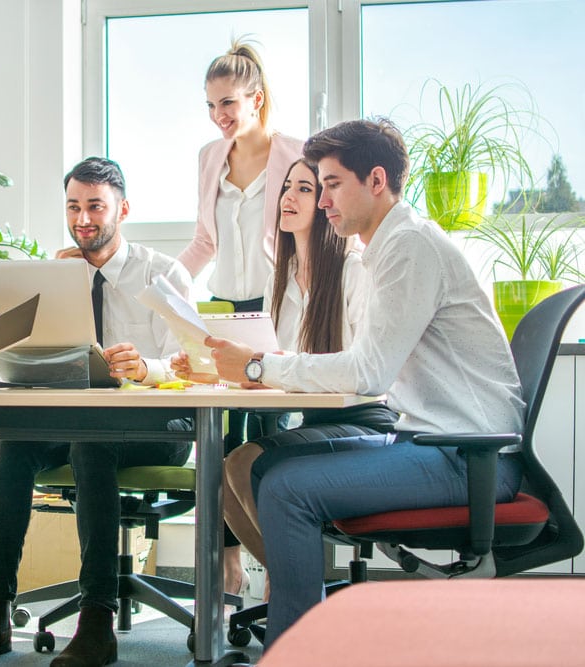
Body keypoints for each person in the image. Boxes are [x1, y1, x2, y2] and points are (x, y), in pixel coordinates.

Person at [179, 118, 525, 648]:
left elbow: (368, 372)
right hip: (430, 441)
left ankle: (297, 650)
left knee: (288, 487)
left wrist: (257, 367)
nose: (322, 201)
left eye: (332, 184)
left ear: (377, 180)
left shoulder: (408, 248)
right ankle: (309, 636)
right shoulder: (389, 246)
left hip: (469, 455)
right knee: (263, 465)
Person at [0, 157, 193, 667]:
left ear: (123, 210)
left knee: (91, 441)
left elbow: (190, 363)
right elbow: (39, 354)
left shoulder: (163, 271)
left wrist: (144, 366)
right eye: (73, 206)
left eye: (95, 207)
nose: (83, 219)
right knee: (16, 446)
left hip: (156, 424)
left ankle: (96, 620)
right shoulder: (59, 272)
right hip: (78, 416)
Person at [218, 158, 398, 584]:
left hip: (362, 422)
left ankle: (293, 593)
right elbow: (274, 363)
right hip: (313, 421)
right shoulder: (278, 280)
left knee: (244, 463)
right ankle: (295, 589)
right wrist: (228, 369)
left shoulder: (353, 272)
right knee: (222, 475)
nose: (287, 197)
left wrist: (268, 367)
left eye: (303, 188)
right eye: (287, 187)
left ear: (325, 204)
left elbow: (362, 371)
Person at [176, 39, 305, 594]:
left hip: (276, 312)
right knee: (219, 437)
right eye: (210, 106)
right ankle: (228, 564)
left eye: (227, 103)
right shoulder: (210, 157)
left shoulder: (296, 153)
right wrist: (166, 285)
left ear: (257, 99)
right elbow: (205, 241)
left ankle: (280, 564)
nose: (218, 116)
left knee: (270, 436)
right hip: (225, 310)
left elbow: (306, 239)